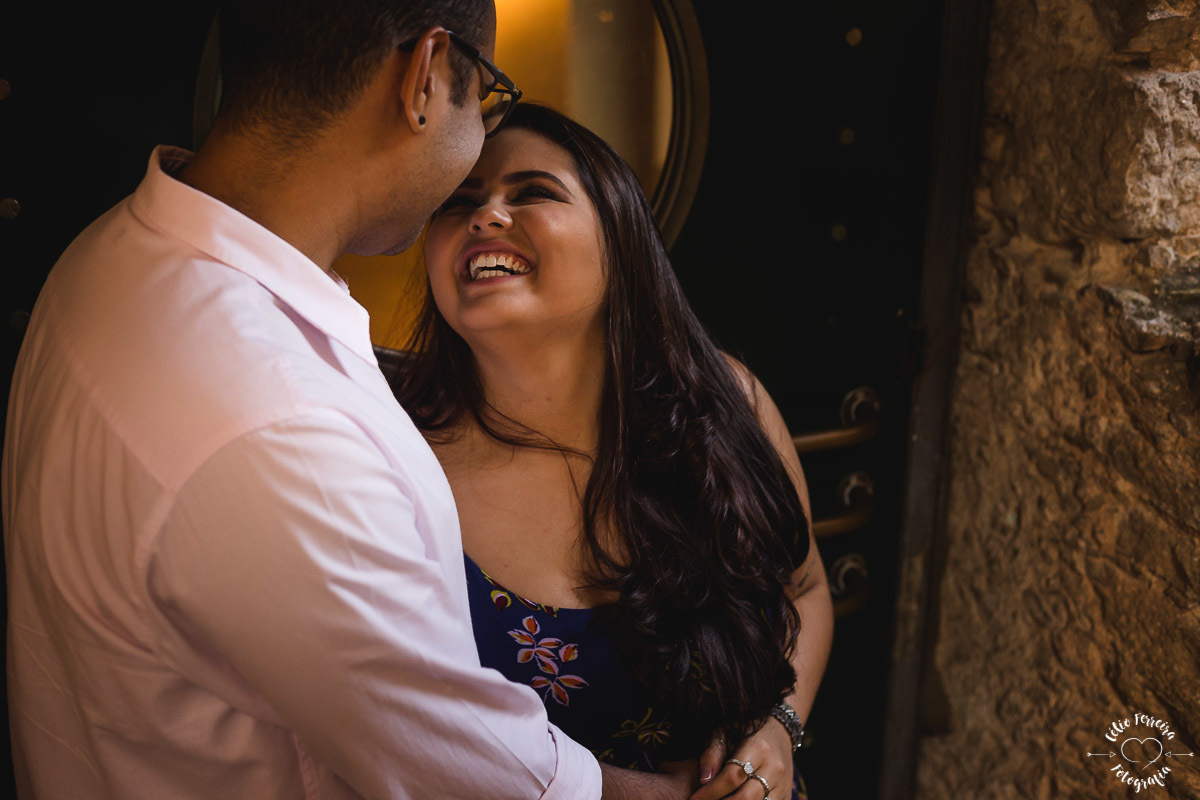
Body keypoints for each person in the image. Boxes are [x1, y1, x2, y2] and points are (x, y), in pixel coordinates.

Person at [2, 3, 698, 798]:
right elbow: (464, 770)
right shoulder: (279, 424)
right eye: (486, 98)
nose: (482, 210)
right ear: (425, 77)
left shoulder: (107, 257)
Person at [392, 103, 835, 800]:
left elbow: (804, 589)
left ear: (620, 238)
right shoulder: (399, 458)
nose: (486, 216)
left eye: (532, 192)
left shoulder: (726, 403)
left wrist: (780, 727)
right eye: (460, 202)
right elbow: (406, 740)